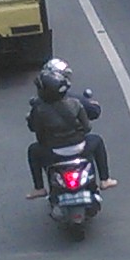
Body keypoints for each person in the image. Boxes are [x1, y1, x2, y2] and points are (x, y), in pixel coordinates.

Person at [24, 58, 115, 197]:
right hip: (80, 148)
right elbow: (87, 127)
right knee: (97, 141)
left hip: (53, 152)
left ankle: (39, 188)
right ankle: (105, 179)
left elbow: (34, 128)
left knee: (33, 150)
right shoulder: (75, 103)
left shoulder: (38, 108)